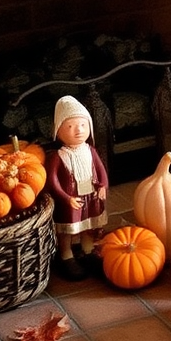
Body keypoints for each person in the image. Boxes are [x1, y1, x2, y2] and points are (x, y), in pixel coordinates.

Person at [46, 95, 108, 279]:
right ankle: (66, 255)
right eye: (71, 126)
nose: (78, 131)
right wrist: (66, 198)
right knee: (68, 229)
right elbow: (52, 181)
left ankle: (87, 250)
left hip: (89, 198)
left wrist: (103, 186)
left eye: (82, 125)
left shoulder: (91, 151)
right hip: (72, 200)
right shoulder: (58, 156)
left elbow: (101, 171)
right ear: (58, 132)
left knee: (87, 225)